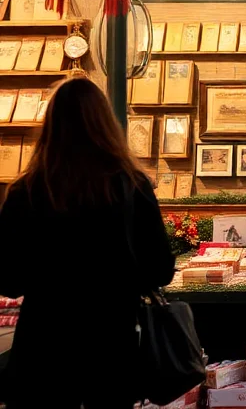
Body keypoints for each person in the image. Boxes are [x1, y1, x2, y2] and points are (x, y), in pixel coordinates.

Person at [0, 78, 176, 408]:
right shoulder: (131, 186)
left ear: (50, 126)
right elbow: (160, 269)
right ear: (106, 124)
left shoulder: (26, 192)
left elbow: (8, 280)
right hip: (111, 344)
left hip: (43, 348)